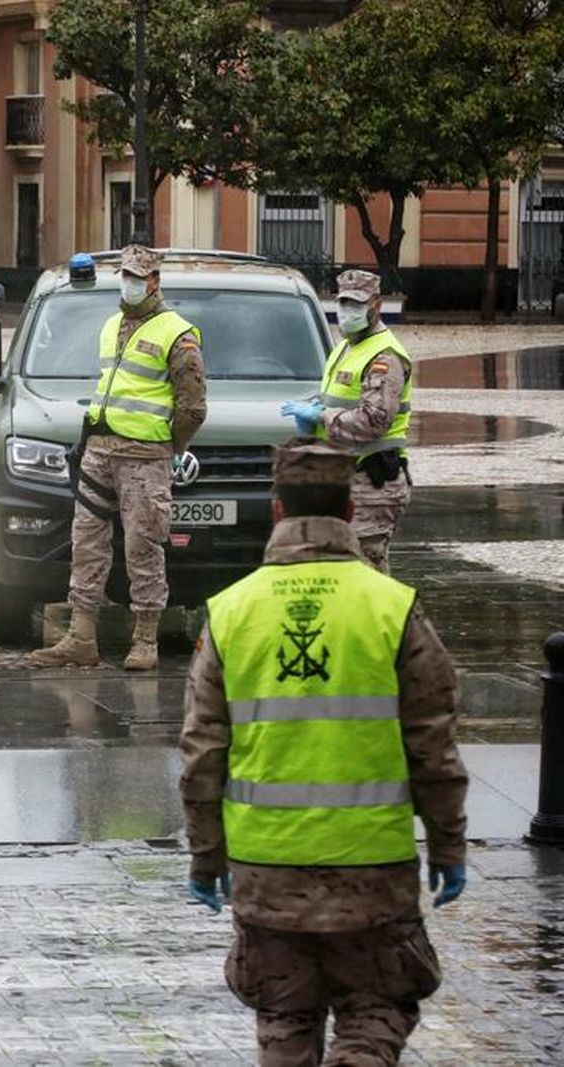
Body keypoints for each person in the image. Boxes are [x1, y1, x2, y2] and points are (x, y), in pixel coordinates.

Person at [179, 438, 467, 1066]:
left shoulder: (230, 614)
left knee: (284, 1016)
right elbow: (434, 747)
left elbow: (202, 753)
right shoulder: (392, 609)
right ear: (350, 510)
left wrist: (206, 860)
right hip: (373, 869)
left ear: (276, 509)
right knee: (377, 1008)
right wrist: (448, 846)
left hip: (265, 867)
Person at [30, 244, 207, 670]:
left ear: (154, 281)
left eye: (137, 277)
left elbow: (193, 407)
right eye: (125, 275)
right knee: (87, 544)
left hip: (144, 457)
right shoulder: (111, 325)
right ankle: (81, 636)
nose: (129, 283)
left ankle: (145, 640)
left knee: (143, 545)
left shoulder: (178, 334)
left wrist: (168, 447)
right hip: (99, 450)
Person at [281, 270, 412, 573]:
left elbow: (373, 421)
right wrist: (312, 418)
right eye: (343, 303)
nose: (346, 311)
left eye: (355, 304)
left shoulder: (384, 356)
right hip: (347, 478)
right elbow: (339, 400)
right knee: (340, 570)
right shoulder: (345, 348)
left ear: (375, 304)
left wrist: (322, 417)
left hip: (373, 481)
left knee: (365, 574)